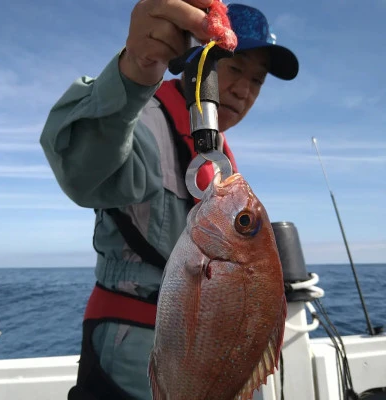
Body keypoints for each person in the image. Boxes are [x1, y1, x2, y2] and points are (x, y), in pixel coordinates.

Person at [40, 1, 299, 399]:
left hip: (204, 356)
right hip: (132, 354)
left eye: (257, 81)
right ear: (200, 65)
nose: (244, 90)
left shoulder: (216, 152)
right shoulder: (139, 120)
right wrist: (135, 72)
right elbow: (81, 170)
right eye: (234, 68)